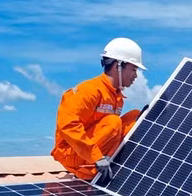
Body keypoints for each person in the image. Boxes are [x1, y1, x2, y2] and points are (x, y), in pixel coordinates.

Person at [52, 38, 146, 183]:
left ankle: (111, 163)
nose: (135, 76)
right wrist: (96, 157)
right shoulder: (89, 91)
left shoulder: (116, 96)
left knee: (135, 116)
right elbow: (68, 126)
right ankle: (89, 173)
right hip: (72, 153)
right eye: (133, 69)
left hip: (92, 151)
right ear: (117, 66)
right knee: (113, 122)